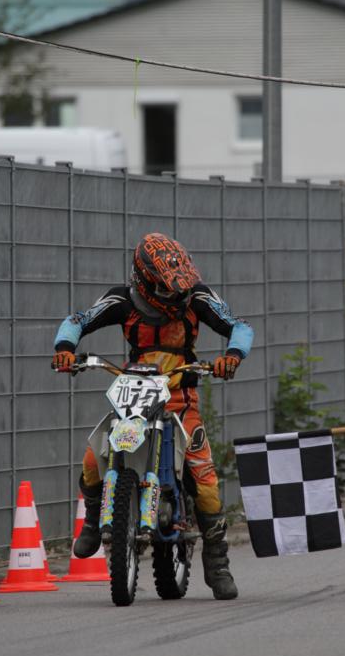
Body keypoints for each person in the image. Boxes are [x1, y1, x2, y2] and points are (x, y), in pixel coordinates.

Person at [52, 232, 254, 600]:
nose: (176, 297)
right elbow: (77, 320)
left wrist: (232, 356)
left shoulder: (198, 297)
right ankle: (94, 520)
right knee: (93, 457)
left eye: (181, 288)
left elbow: (240, 326)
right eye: (167, 289)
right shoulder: (121, 300)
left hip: (181, 397)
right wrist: (65, 349)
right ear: (144, 282)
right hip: (134, 396)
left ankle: (217, 559)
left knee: (205, 477)